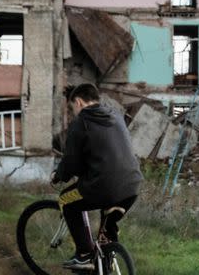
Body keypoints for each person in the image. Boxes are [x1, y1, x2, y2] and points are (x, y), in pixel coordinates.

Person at [52, 83, 143, 271]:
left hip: (104, 187)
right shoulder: (116, 115)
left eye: (72, 108)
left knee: (66, 201)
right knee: (107, 230)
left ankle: (84, 255)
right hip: (132, 186)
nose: (73, 112)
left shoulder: (80, 123)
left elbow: (72, 162)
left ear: (78, 102)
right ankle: (107, 258)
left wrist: (58, 176)